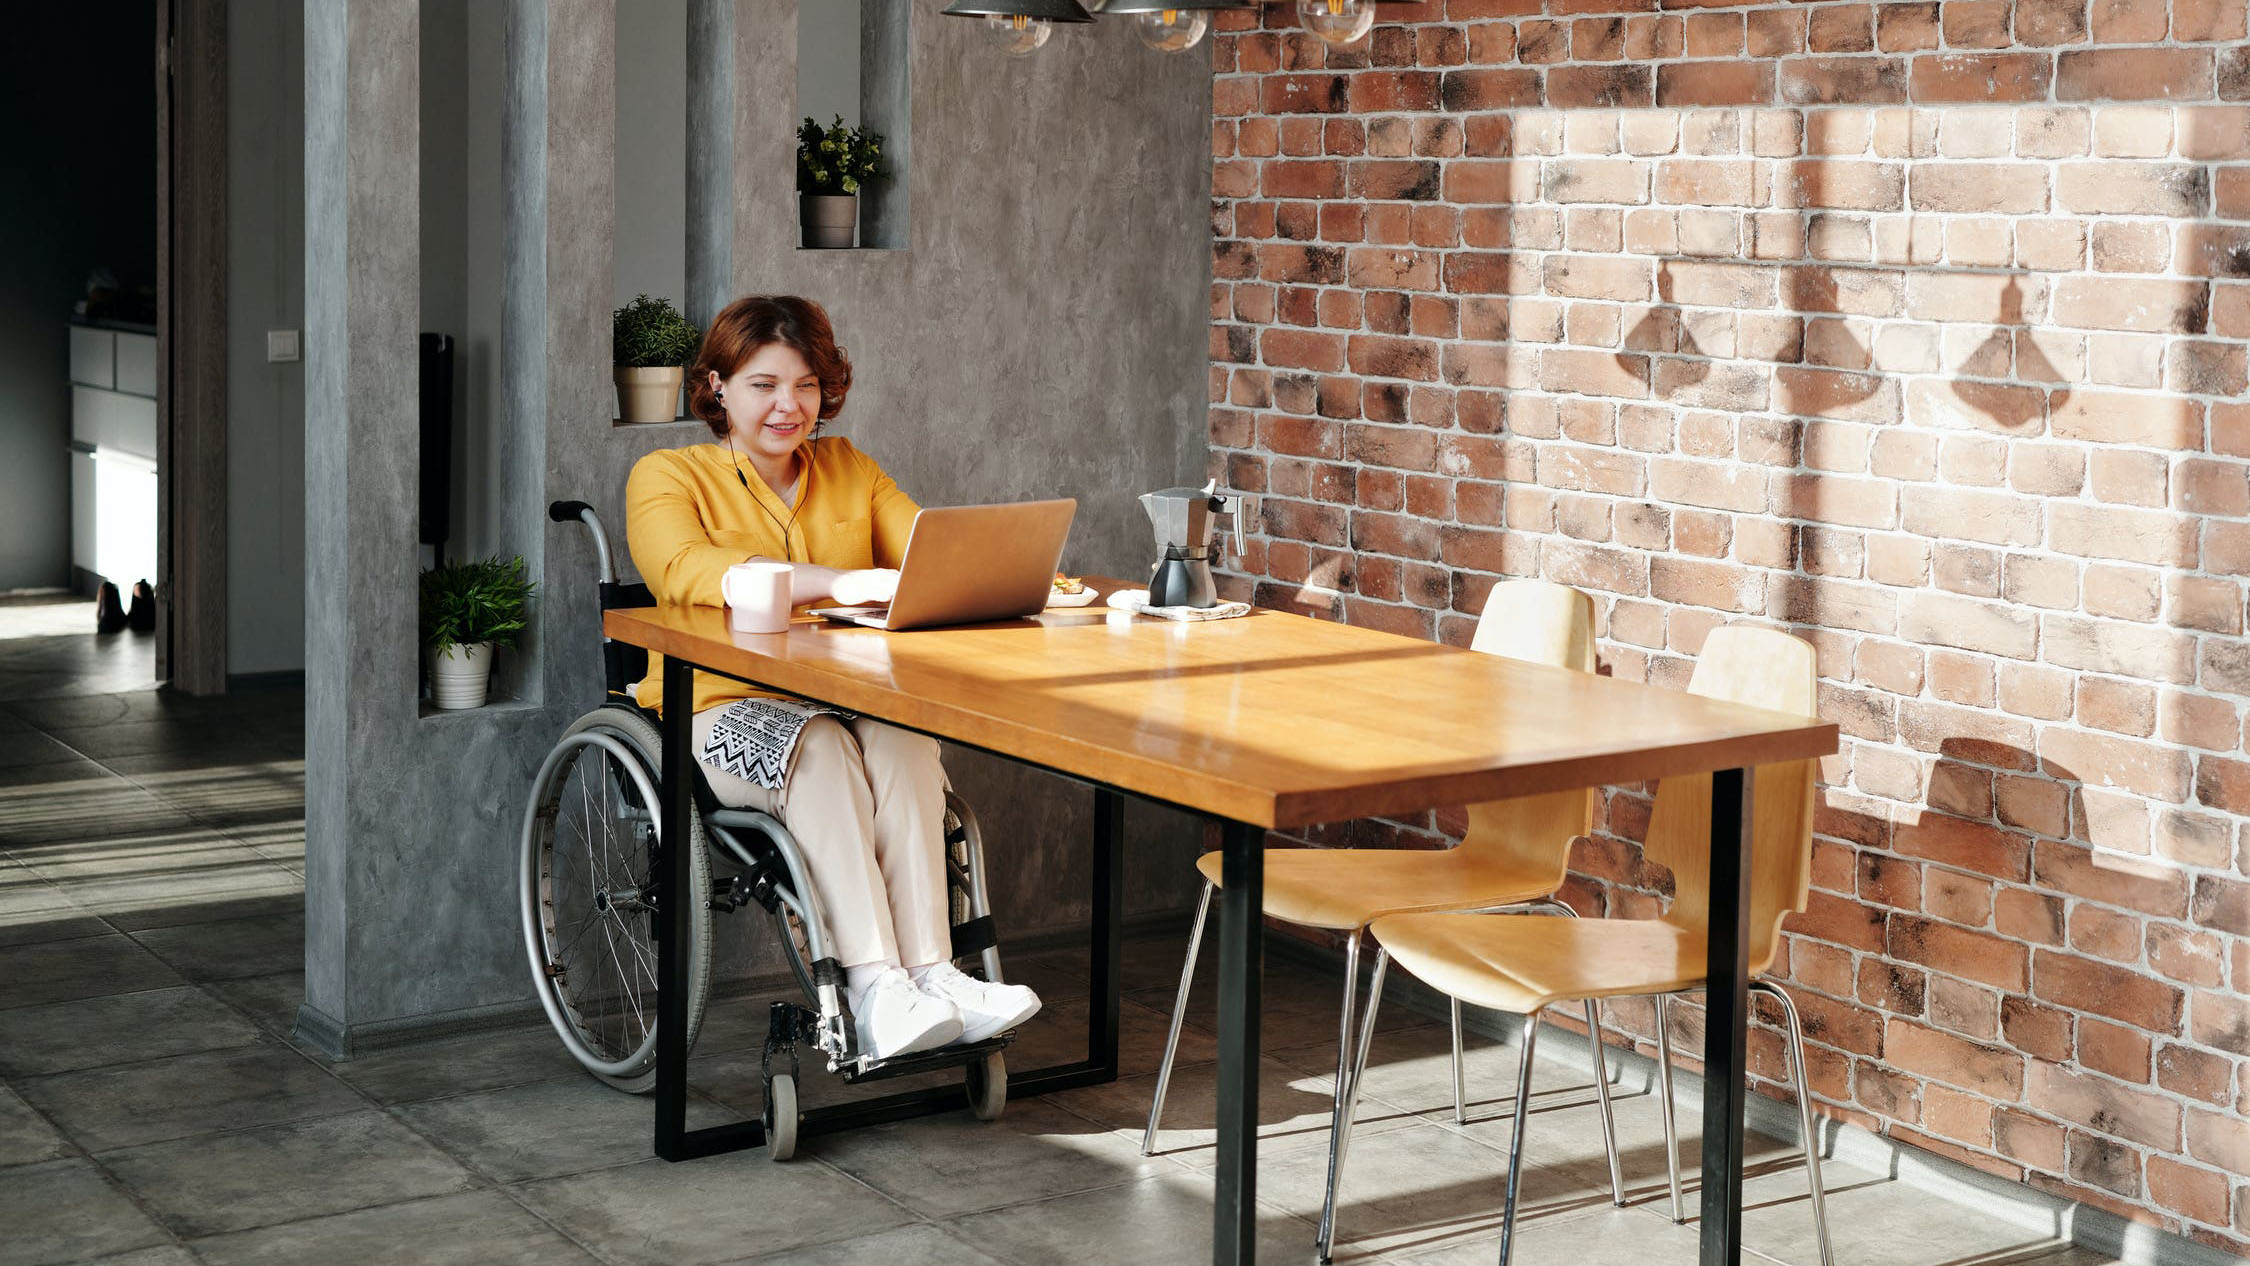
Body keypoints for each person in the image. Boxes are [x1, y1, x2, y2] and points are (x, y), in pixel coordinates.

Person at [625, 294, 1040, 1061]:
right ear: (716, 386)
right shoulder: (666, 476)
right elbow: (685, 569)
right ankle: (875, 986)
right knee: (818, 749)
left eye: (807, 385)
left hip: (848, 697)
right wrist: (837, 583)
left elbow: (927, 550)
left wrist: (995, 570)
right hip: (717, 707)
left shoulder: (850, 469)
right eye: (764, 384)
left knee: (904, 739)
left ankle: (934, 974)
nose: (790, 405)